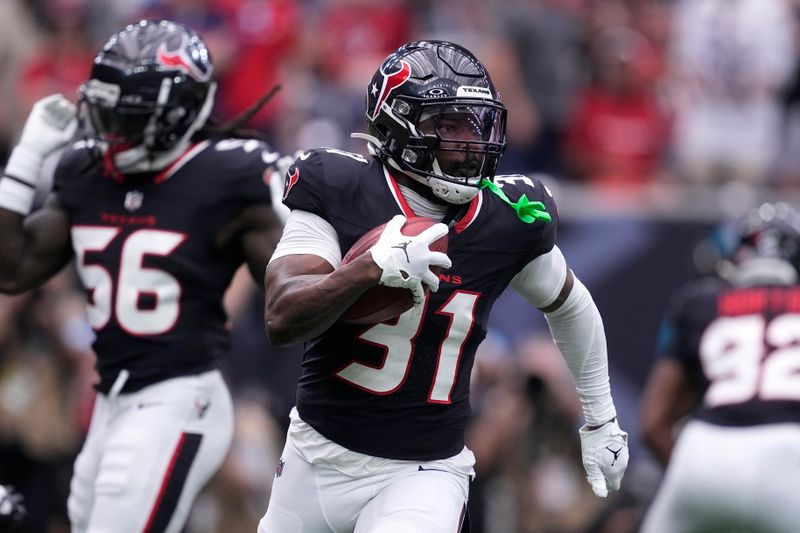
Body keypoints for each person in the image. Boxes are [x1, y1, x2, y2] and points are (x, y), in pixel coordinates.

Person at [260, 40, 629, 532]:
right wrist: (368, 268)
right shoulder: (340, 188)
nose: (468, 142)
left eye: (475, 124)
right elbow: (281, 317)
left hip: (423, 471)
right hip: (313, 456)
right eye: (448, 125)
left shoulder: (505, 217)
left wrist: (601, 416)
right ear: (397, 124)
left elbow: (571, 305)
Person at [0, 19, 286, 533]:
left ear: (174, 116)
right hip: (110, 397)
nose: (109, 133)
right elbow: (11, 268)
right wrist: (25, 159)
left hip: (178, 396)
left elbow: (293, 287)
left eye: (124, 119)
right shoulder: (87, 172)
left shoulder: (229, 175)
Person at [639, 202, 800, 532]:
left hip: (707, 452)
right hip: (789, 456)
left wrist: (699, 484)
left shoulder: (700, 303)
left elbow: (653, 423)